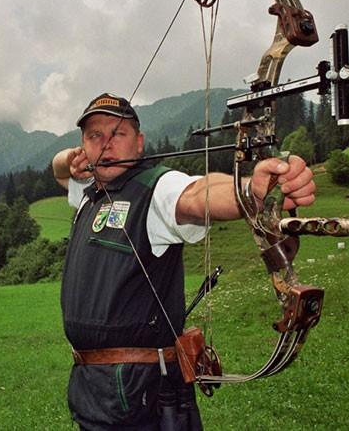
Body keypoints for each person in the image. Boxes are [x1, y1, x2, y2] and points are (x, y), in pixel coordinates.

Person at [52, 93, 316, 430]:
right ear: (84, 147)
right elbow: (59, 170)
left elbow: (195, 195)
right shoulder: (88, 190)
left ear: (139, 143)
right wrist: (69, 160)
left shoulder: (156, 188)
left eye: (118, 134)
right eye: (94, 136)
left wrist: (251, 190)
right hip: (93, 389)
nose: (105, 146)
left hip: (141, 393)